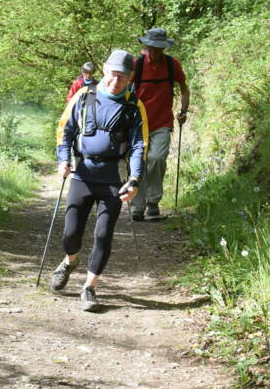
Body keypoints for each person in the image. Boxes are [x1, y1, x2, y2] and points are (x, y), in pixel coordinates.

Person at [51, 50, 148, 311]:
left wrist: (135, 178)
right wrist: (63, 160)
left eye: (123, 77)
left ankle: (89, 287)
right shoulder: (83, 96)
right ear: (105, 70)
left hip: (113, 180)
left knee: (103, 234)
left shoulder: (134, 106)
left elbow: (139, 145)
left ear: (130, 78)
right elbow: (65, 129)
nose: (117, 81)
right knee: (71, 234)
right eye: (113, 74)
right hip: (82, 174)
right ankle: (70, 261)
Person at [130, 26, 190, 221]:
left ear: (164, 48)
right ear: (147, 47)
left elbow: (184, 89)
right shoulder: (137, 65)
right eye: (152, 48)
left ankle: (153, 201)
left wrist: (183, 111)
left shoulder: (172, 65)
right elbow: (125, 91)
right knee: (139, 162)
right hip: (138, 123)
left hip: (163, 122)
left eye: (159, 48)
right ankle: (137, 206)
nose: (155, 52)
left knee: (156, 158)